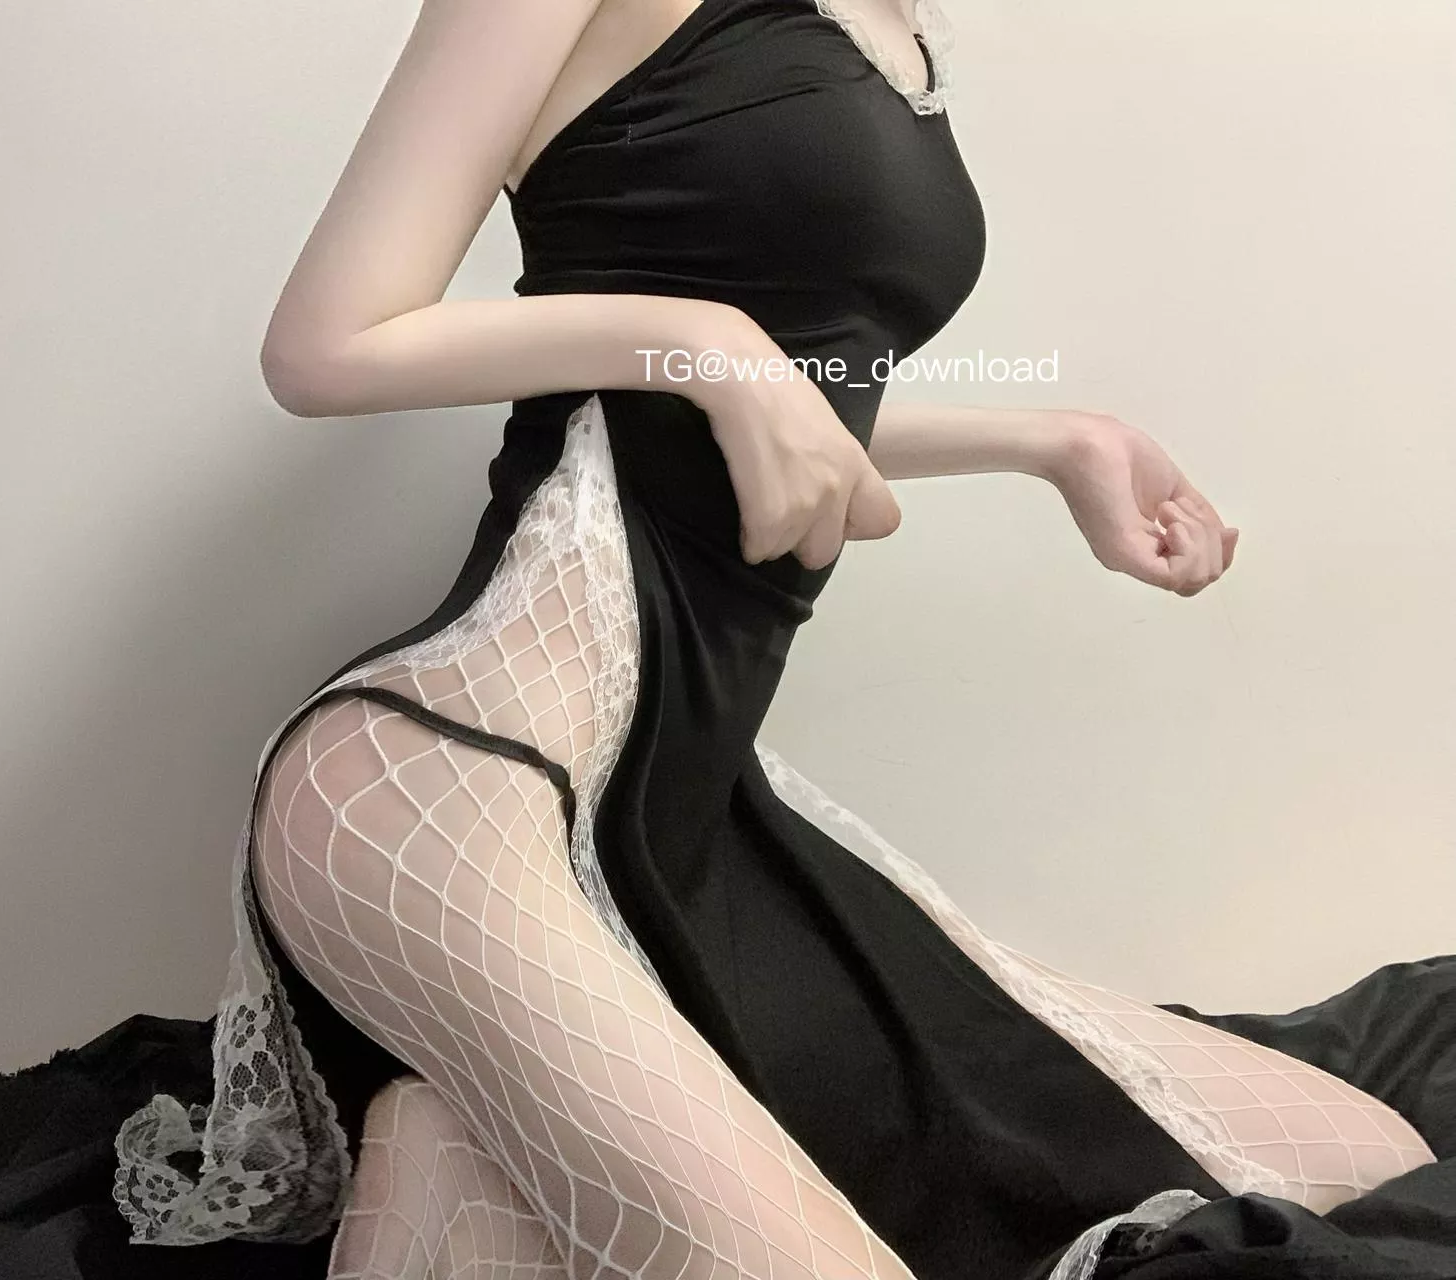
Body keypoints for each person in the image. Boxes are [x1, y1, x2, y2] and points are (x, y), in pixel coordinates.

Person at [103, 2, 1452, 1279]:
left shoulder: (893, 23)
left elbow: (801, 412)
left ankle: (459, 1153)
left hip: (694, 816)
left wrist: (1050, 439)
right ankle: (478, 1122)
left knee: (1357, 1156)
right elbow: (326, 347)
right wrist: (700, 341)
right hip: (461, 775)